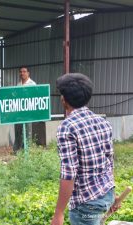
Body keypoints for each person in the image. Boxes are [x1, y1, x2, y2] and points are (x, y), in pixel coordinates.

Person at [51, 73, 119, 225]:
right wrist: (112, 194)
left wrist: (58, 213)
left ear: (64, 99)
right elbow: (109, 161)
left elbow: (69, 174)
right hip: (106, 195)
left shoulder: (67, 127)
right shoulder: (103, 122)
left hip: (87, 204)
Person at [13, 66, 36, 153]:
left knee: (27, 131)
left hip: (27, 112)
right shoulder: (18, 84)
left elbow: (35, 98)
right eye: (21, 72)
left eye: (24, 71)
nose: (22, 73)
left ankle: (26, 151)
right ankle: (17, 150)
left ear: (28, 73)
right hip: (18, 112)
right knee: (18, 130)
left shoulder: (32, 84)